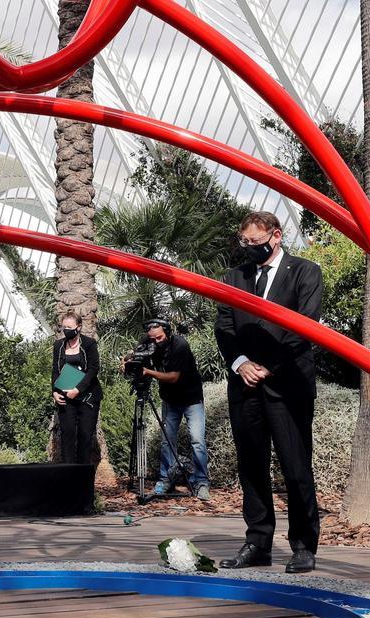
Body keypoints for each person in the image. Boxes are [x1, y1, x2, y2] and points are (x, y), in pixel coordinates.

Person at [214, 211, 323, 574]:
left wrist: (269, 366)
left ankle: (304, 546)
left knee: (295, 467)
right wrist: (241, 362)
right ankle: (258, 542)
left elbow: (305, 326)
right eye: (244, 243)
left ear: (276, 236)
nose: (250, 249)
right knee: (252, 467)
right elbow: (224, 326)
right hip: (245, 386)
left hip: (286, 384)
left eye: (256, 243)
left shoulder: (305, 272)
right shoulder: (235, 277)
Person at [133, 318, 209, 500]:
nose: (156, 342)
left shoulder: (179, 344)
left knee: (197, 440)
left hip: (191, 399)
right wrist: (128, 361)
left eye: (159, 338)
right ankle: (166, 479)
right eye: (152, 339)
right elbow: (134, 355)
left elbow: (174, 377)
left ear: (166, 332)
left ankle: (201, 482)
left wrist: (147, 372)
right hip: (170, 400)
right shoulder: (148, 342)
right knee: (167, 440)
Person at [51, 312, 102, 465]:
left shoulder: (89, 343)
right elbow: (55, 370)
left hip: (87, 396)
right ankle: (68, 476)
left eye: (70, 327)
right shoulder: (58, 345)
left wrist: (78, 390)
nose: (66, 330)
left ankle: (82, 479)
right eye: (63, 327)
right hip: (66, 396)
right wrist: (54, 391)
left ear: (79, 327)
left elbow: (93, 368)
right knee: (67, 436)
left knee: (85, 436)